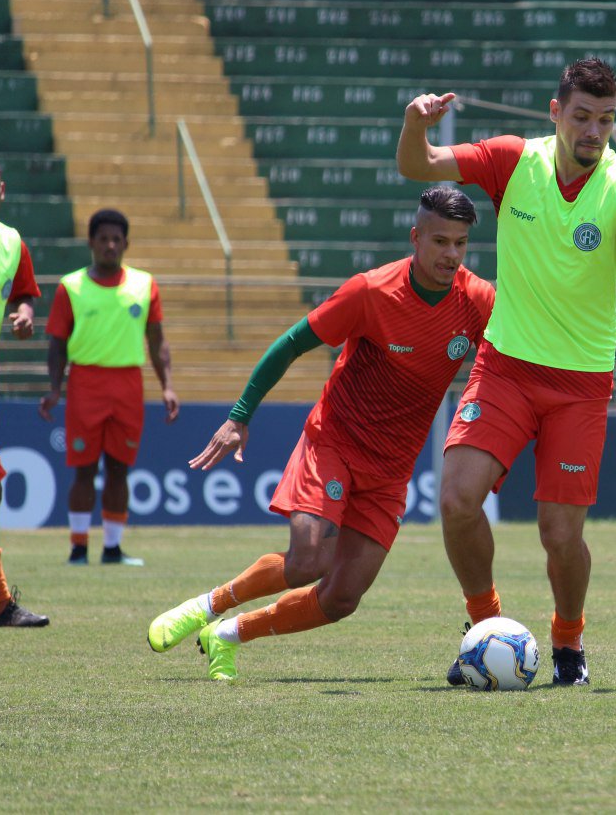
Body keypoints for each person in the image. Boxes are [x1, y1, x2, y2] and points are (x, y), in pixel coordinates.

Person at [396, 57, 616, 686]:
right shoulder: (512, 159)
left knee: (559, 534)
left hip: (580, 382)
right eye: (582, 116)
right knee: (457, 500)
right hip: (506, 366)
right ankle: (482, 623)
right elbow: (418, 166)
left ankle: (568, 641)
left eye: (606, 119)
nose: (594, 131)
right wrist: (415, 126)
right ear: (556, 113)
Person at [147, 186, 493, 681]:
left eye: (461, 243)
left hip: (392, 468)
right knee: (309, 558)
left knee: (342, 597)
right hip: (335, 440)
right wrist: (239, 415)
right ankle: (205, 606)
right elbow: (291, 344)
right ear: (416, 238)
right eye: (440, 242)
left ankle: (227, 634)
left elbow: (508, 359)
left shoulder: (477, 300)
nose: (452, 255)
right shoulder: (371, 292)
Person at [39, 209, 178, 566]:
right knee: (84, 468)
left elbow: (157, 340)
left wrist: (167, 386)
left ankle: (113, 549)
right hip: (86, 382)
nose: (110, 245)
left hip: (128, 383)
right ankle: (78, 548)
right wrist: (55, 389)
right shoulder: (71, 286)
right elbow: (56, 343)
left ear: (126, 243)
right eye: (103, 239)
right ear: (91, 242)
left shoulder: (144, 285)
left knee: (119, 468)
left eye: (117, 239)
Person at [0, 152, 49, 627]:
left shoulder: (13, 243)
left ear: (3, 192)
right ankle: (0, 604)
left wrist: (24, 312)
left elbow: (24, 292)